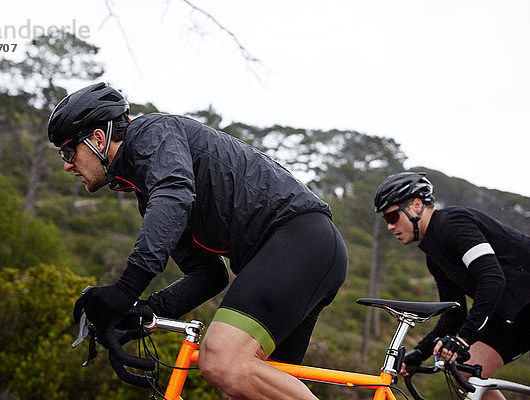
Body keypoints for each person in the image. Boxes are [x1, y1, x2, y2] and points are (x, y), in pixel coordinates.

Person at [47, 82, 348, 399]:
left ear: (98, 138)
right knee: (246, 389)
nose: (68, 165)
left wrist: (126, 289)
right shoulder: (150, 187)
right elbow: (208, 273)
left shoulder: (152, 132)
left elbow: (174, 193)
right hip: (305, 253)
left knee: (222, 361)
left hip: (298, 242)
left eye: (69, 151)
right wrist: (146, 309)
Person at [373, 172, 530, 400]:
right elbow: (455, 313)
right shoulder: (433, 254)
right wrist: (420, 352)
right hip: (517, 313)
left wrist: (462, 339)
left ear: (415, 206)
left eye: (392, 217)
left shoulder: (452, 224)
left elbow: (492, 278)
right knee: (465, 373)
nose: (390, 227)